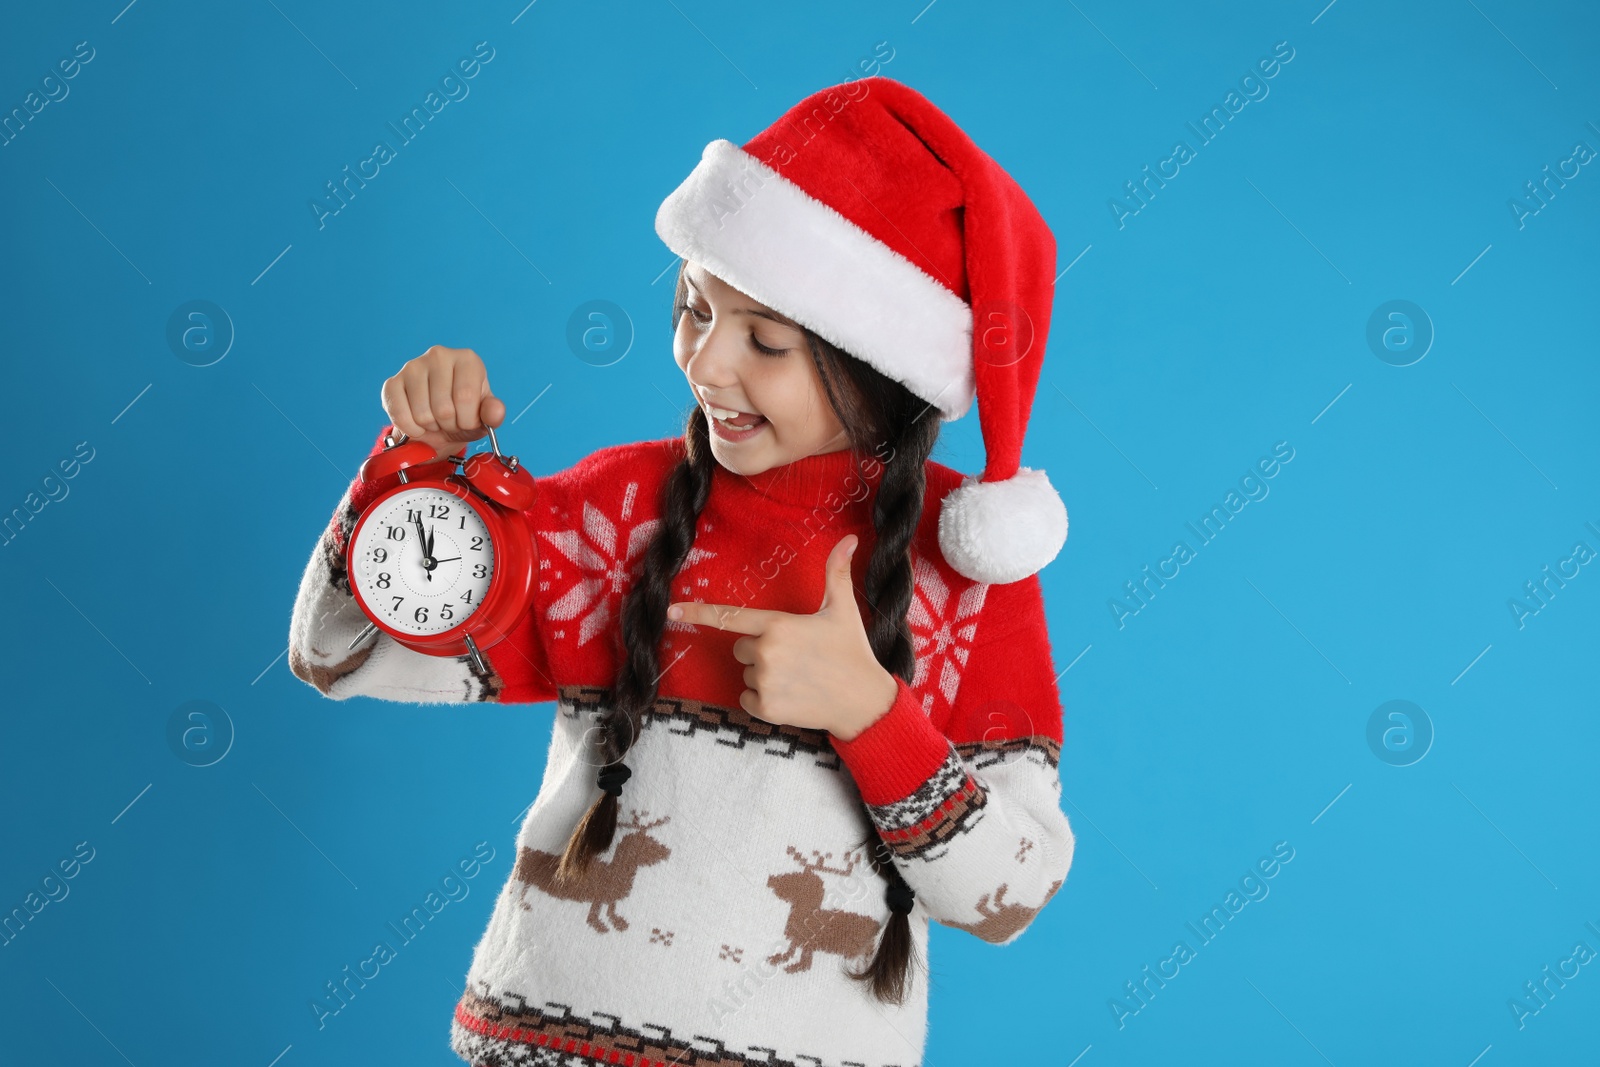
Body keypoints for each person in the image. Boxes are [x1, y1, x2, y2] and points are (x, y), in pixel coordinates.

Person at [288, 75, 1074, 1067]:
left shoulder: (963, 568)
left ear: (880, 365)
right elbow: (340, 652)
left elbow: (1010, 894)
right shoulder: (618, 508)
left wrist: (872, 714)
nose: (707, 364)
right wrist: (411, 480)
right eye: (694, 308)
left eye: (765, 341)